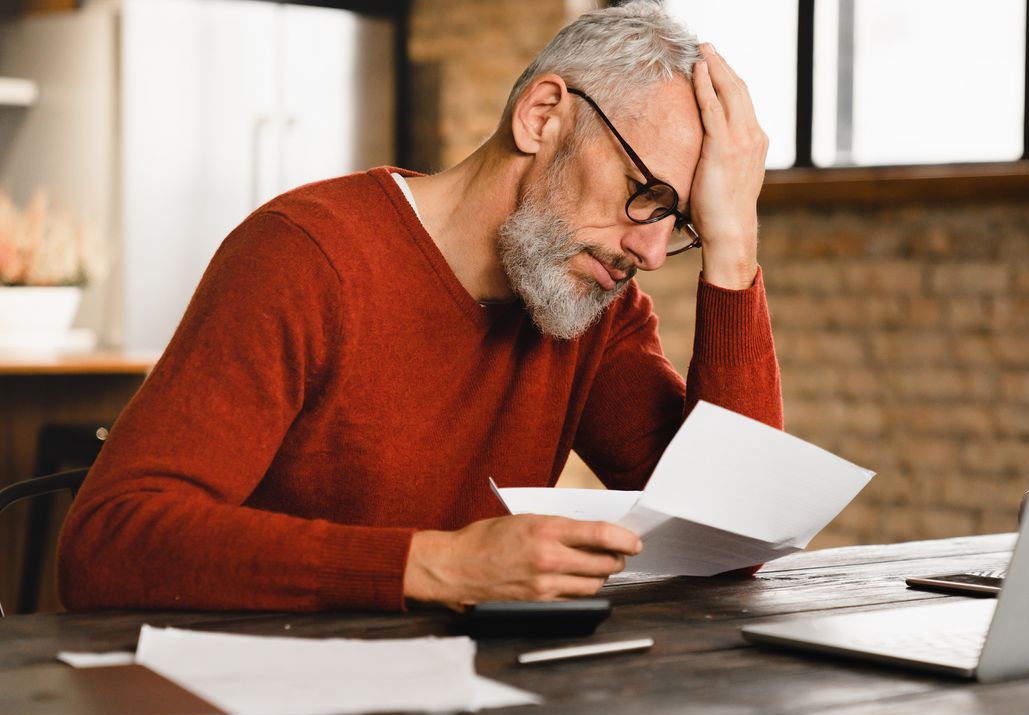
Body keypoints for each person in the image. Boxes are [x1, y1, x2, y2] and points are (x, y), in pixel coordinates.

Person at [57, 1, 781, 612]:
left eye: (679, 222)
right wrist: (436, 567)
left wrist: (733, 244)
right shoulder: (304, 256)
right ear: (542, 116)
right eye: (644, 194)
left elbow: (726, 537)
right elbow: (108, 545)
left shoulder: (592, 307)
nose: (651, 253)